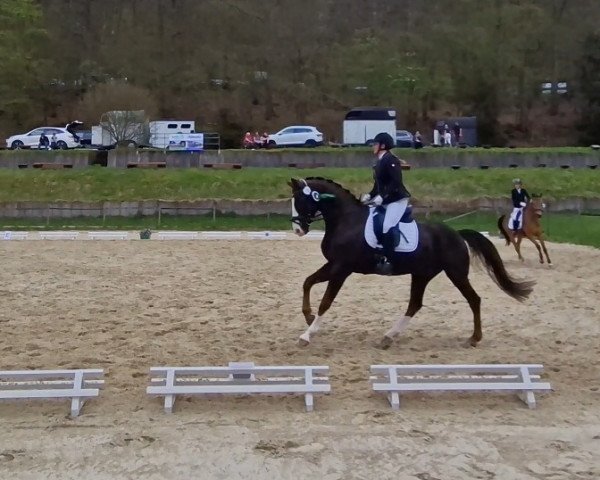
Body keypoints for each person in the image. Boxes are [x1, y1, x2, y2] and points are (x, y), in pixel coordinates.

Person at [360, 132, 411, 275]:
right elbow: (378, 185)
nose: (373, 147)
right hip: (386, 199)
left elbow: (396, 182)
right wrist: (370, 195)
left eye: (375, 144)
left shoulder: (391, 159)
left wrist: (382, 196)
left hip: (397, 200)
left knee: (387, 225)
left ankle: (389, 261)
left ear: (383, 145)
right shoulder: (379, 162)